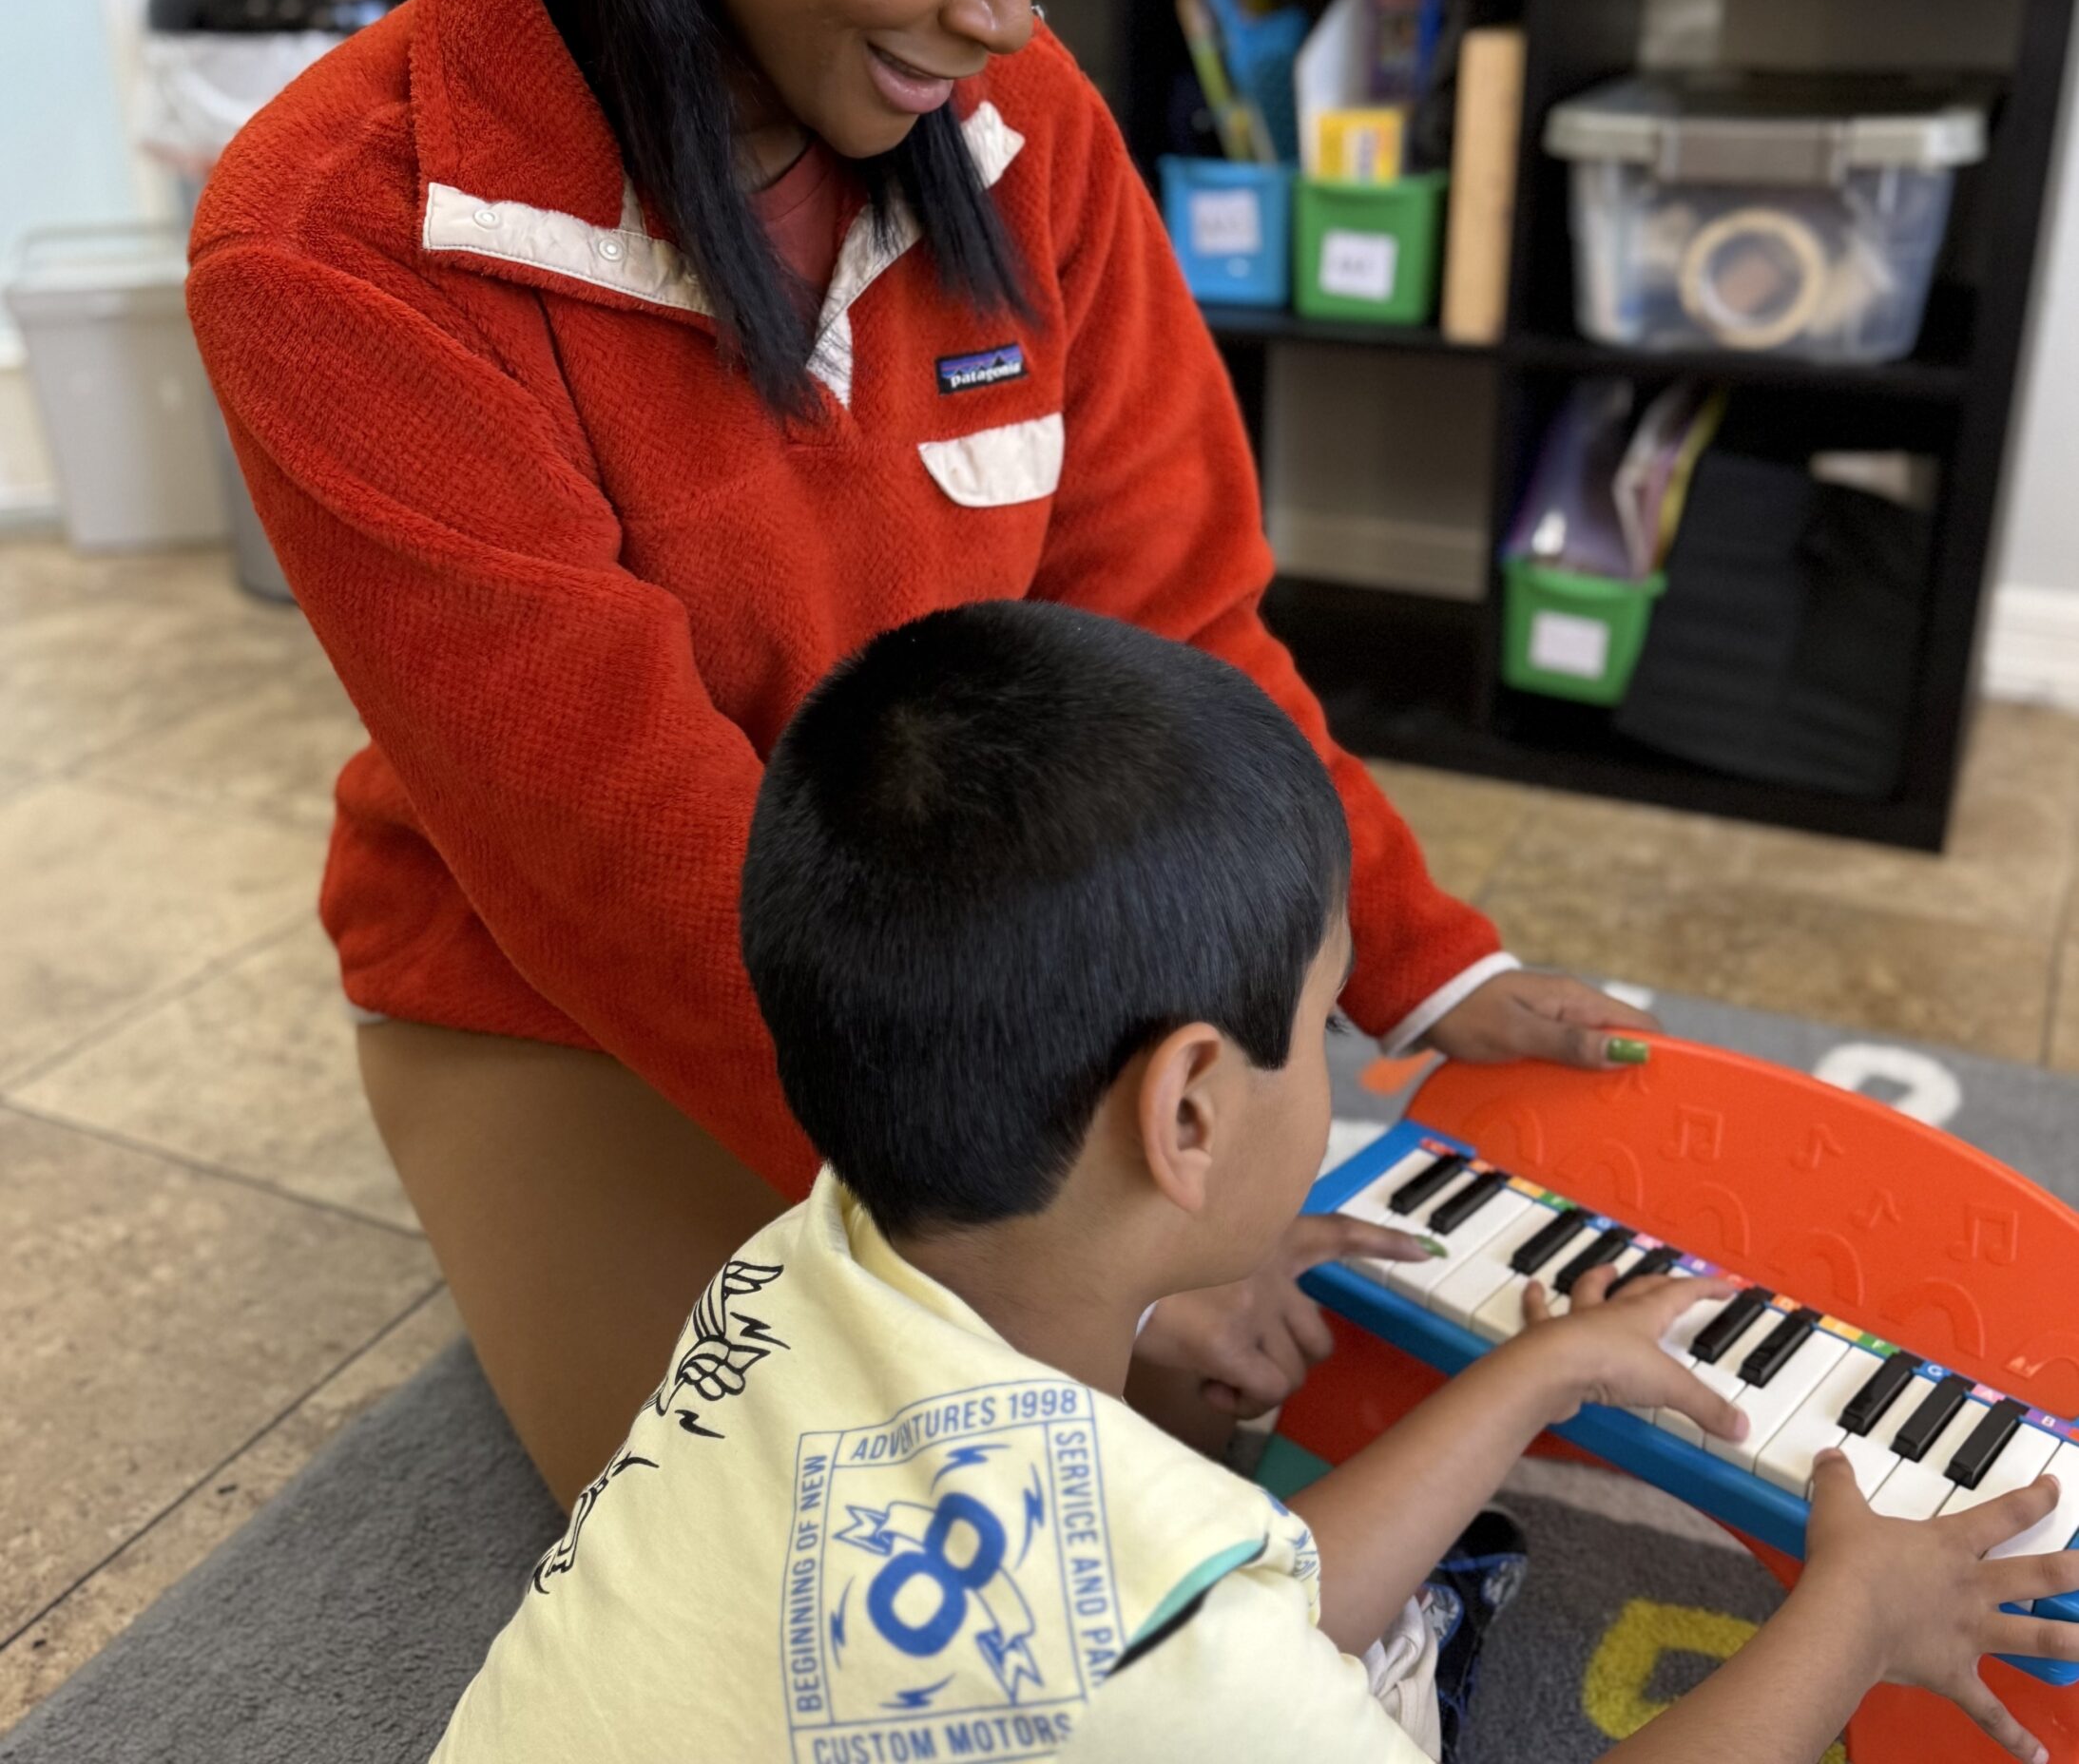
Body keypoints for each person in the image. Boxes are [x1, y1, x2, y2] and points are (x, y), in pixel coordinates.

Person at [188, 0, 1651, 1514]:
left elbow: (1172, 626)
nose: (1005, 10)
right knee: (872, 1545)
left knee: (1215, 1400)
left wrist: (1424, 955)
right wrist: (1061, 1260)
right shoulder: (335, 236)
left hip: (978, 931)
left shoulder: (1021, 125)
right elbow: (614, 834)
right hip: (581, 979)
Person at [432, 601, 2079, 1764]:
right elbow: (1203, 1650)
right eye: (1326, 1018)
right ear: (1192, 1113)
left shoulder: (806, 1261)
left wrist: (1543, 1369)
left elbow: (1232, 1582)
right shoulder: (1175, 1672)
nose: (1342, 1060)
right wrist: (1851, 1622)